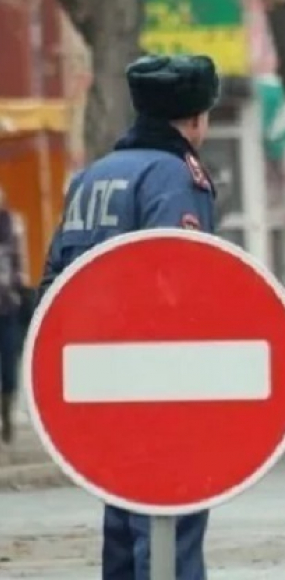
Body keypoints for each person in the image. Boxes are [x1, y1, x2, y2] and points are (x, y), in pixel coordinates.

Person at [35, 54, 219, 580]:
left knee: (122, 519)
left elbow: (53, 277)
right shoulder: (175, 175)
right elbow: (180, 280)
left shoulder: (92, 176)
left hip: (94, 376)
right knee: (169, 522)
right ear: (196, 119)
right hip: (156, 377)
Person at [0, 188, 23, 444]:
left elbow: (19, 262)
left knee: (9, 368)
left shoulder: (11, 224)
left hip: (8, 306)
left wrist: (22, 294)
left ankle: (6, 415)